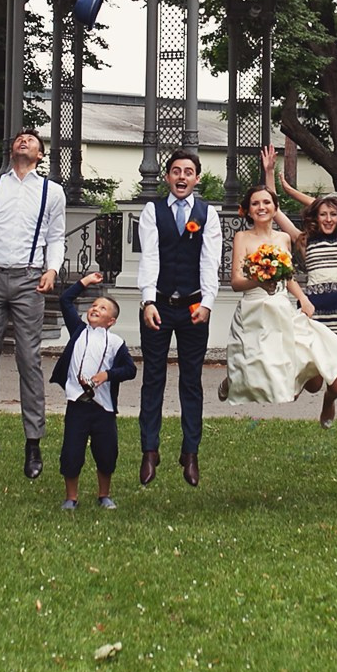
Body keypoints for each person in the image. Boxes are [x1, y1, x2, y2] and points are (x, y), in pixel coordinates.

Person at [0, 130, 66, 479]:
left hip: (28, 279)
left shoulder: (51, 191)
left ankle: (33, 442)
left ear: (40, 154)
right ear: (11, 149)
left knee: (28, 359)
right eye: (19, 139)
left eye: (31, 140)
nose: (23, 141)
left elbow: (55, 236)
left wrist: (52, 269)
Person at [216, 153, 337, 404]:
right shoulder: (242, 238)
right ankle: (231, 381)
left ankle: (296, 385)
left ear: (275, 208)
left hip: (280, 304)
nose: (261, 207)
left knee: (308, 348)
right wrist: (258, 281)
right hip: (253, 307)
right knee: (252, 361)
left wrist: (303, 299)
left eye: (266, 202)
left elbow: (288, 276)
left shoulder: (283, 239)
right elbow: (235, 282)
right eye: (255, 204)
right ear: (249, 210)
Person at [133, 149, 223, 488]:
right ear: (167, 177)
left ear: (197, 178)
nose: (182, 177)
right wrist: (147, 301)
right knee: (153, 378)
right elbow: (149, 259)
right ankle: (150, 450)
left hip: (193, 309)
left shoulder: (207, 214)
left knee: (191, 381)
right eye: (176, 171)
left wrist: (207, 303)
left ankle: (191, 452)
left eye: (188, 171)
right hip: (158, 307)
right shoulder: (151, 211)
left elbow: (209, 262)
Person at [273, 190, 337, 428]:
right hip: (316, 313)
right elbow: (275, 209)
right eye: (323, 214)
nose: (328, 219)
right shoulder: (304, 240)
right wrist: (271, 174)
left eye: (333, 214)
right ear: (315, 217)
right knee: (313, 384)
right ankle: (305, 383)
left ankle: (329, 402)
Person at [49, 272, 134, 510]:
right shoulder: (78, 330)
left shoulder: (116, 343)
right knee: (71, 452)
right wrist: (85, 282)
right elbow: (66, 300)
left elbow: (130, 370)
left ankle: (104, 494)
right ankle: (71, 497)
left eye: (103, 308)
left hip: (103, 408)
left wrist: (107, 375)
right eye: (94, 305)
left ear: (111, 321)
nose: (96, 309)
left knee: (106, 452)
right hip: (77, 403)